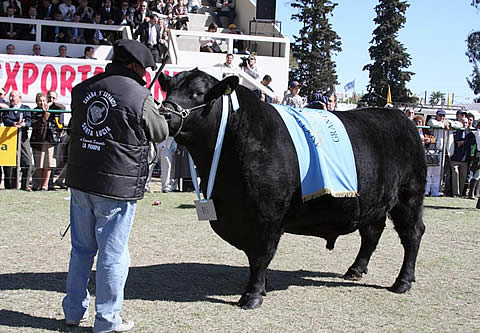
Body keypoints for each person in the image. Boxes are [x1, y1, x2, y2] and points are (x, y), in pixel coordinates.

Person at [62, 39, 168, 333]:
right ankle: (107, 320)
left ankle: (73, 311)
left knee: (81, 250)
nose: (146, 74)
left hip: (81, 180)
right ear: (134, 65)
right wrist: (152, 107)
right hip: (116, 187)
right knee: (112, 255)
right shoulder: (140, 96)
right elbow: (159, 132)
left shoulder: (83, 89)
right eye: (144, 68)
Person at [30, 92, 63, 191]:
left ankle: (45, 185)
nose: (42, 102)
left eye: (44, 100)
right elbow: (35, 124)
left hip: (49, 139)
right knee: (39, 164)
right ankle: (40, 184)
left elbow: (62, 108)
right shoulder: (35, 111)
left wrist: (50, 105)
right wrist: (44, 118)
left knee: (49, 164)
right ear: (36, 102)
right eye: (40, 100)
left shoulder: (53, 109)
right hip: (38, 140)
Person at [2, 90, 33, 190]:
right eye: (10, 96)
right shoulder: (7, 108)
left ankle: (25, 185)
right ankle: (9, 186)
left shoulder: (25, 108)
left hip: (23, 137)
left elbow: (29, 120)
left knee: (27, 161)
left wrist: (24, 124)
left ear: (20, 97)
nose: (11, 98)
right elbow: (6, 119)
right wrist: (14, 124)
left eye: (13, 96)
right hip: (9, 137)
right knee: (9, 163)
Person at [426, 109, 450, 197]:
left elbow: (458, 124)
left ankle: (435, 191)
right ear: (436, 115)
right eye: (440, 115)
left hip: (441, 151)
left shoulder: (447, 122)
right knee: (429, 172)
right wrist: (444, 125)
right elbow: (432, 123)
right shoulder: (432, 121)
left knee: (438, 173)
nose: (441, 117)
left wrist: (448, 124)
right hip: (432, 149)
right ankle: (426, 190)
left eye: (443, 116)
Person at [450, 117, 475, 197]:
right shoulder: (457, 132)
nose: (465, 124)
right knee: (455, 174)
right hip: (455, 158)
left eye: (466, 123)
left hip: (465, 159)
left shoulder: (471, 133)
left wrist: (464, 142)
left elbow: (473, 141)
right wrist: (465, 142)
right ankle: (455, 193)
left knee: (463, 176)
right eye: (463, 122)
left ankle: (460, 193)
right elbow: (458, 141)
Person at [414, 115, 437, 196]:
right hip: (414, 155)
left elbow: (434, 139)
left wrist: (429, 140)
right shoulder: (412, 131)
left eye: (419, 121)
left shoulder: (425, 132)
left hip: (424, 154)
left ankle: (426, 191)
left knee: (426, 173)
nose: (418, 123)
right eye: (416, 121)